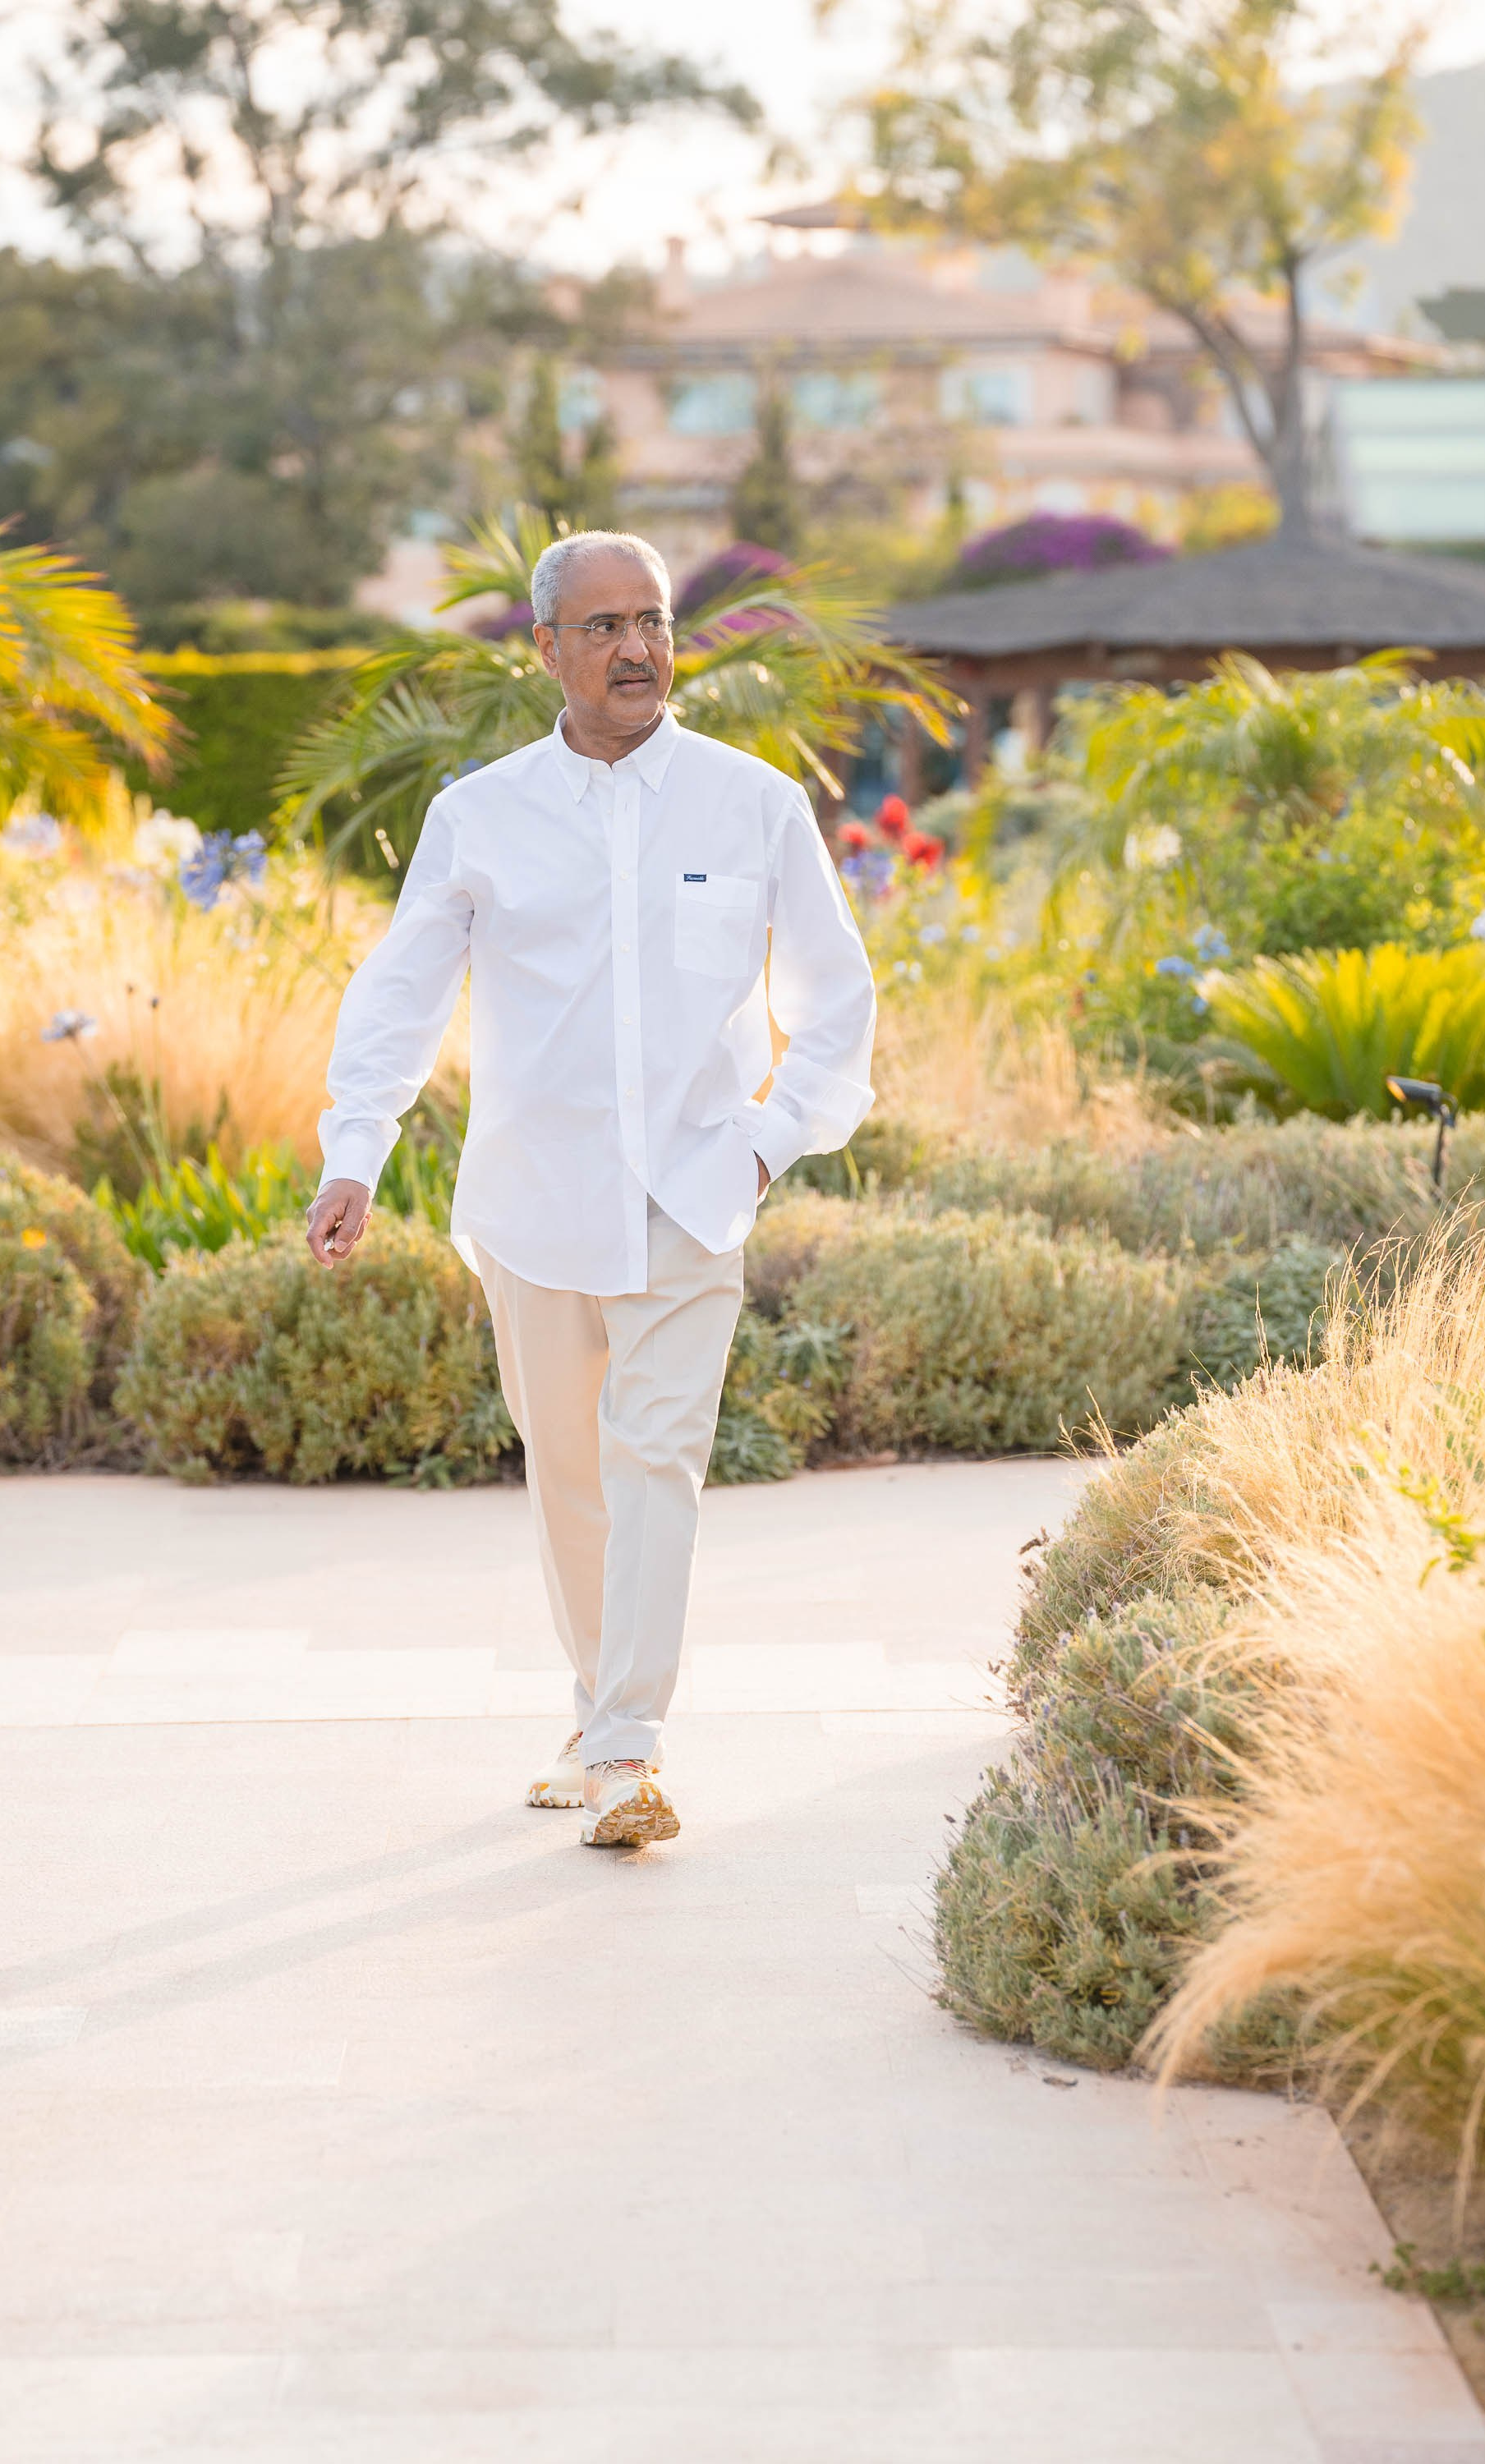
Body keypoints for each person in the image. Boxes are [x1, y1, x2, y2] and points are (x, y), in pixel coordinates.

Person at [306, 529, 875, 1848]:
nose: (636, 648)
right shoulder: (480, 813)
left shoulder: (753, 803)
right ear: (548, 648)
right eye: (606, 626)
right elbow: (401, 994)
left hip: (693, 1193)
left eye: (655, 622)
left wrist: (766, 1139)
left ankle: (627, 1747)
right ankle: (594, 1706)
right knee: (569, 1473)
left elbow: (836, 1003)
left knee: (658, 1461)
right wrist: (356, 1151)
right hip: (535, 1201)